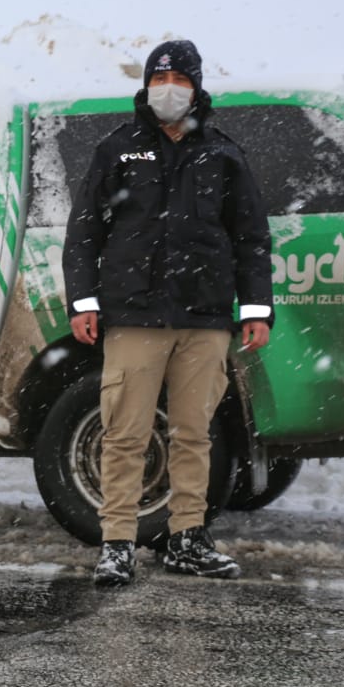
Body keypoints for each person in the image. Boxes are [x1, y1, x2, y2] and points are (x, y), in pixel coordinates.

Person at [62, 39, 273, 587]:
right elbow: (84, 231)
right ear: (147, 85)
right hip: (133, 317)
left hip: (204, 320)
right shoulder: (117, 148)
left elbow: (250, 237)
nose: (168, 89)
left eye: (179, 79)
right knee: (125, 432)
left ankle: (187, 538)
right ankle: (116, 544)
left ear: (196, 87)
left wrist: (256, 310)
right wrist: (83, 302)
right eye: (159, 79)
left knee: (193, 434)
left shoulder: (224, 153)